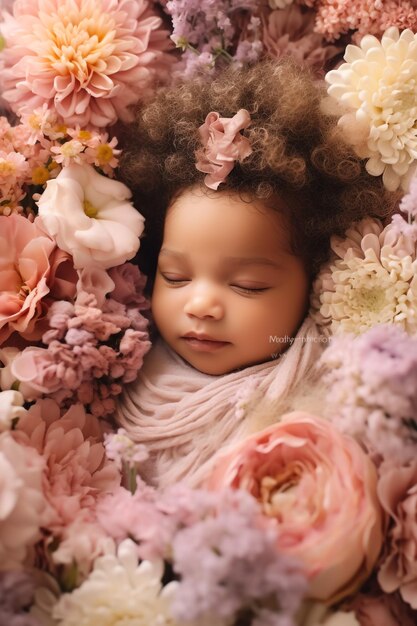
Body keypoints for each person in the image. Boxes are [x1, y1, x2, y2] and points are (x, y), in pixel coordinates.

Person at [115, 59, 397, 488]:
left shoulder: (326, 399)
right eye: (174, 276)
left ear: (316, 282)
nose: (201, 305)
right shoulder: (122, 372)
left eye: (248, 286)